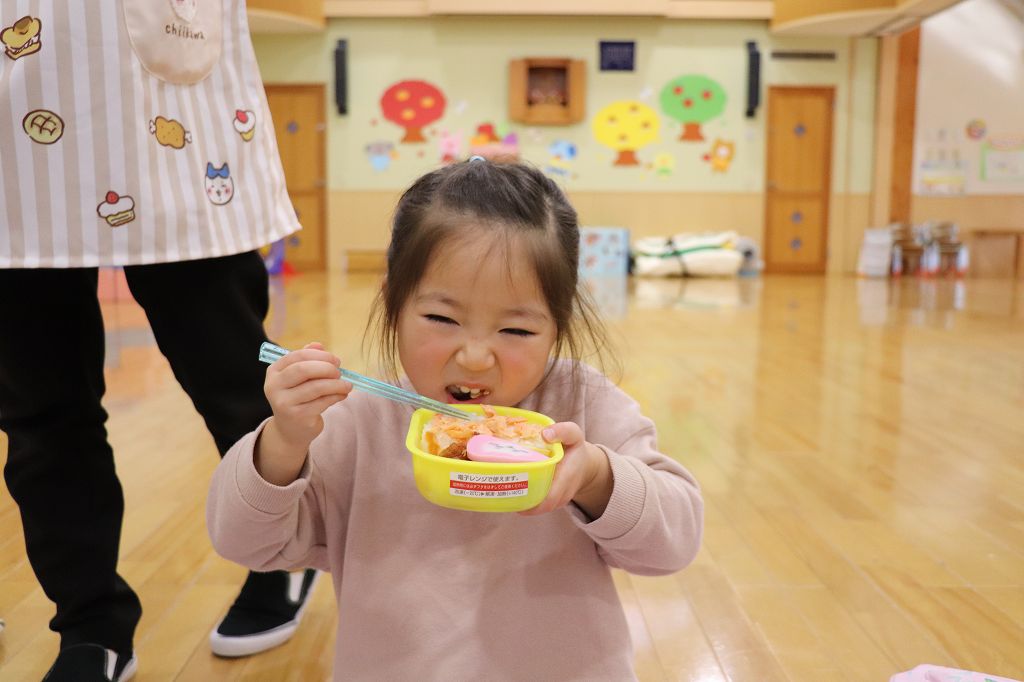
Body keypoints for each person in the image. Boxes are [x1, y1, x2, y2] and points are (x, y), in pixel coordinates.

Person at [206, 159, 705, 680]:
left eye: (516, 330)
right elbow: (244, 543)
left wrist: (598, 477)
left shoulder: (583, 404)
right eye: (441, 319)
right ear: (393, 305)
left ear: (558, 326)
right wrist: (284, 442)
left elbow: (674, 544)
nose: (475, 357)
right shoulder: (357, 422)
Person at [0, 2, 317, 679]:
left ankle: (286, 555)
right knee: (40, 418)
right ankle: (90, 622)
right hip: (11, 126)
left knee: (234, 381)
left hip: (160, 101)